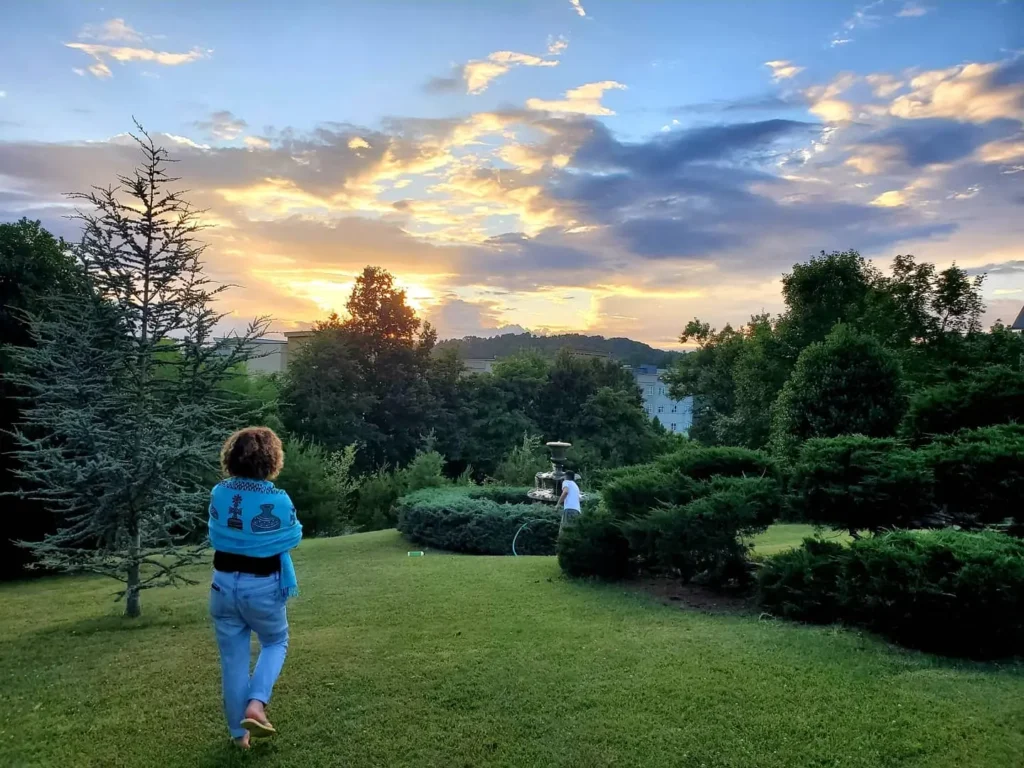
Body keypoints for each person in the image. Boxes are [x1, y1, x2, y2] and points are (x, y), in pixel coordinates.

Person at [207, 427, 303, 749]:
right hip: (262, 586)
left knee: (233, 661)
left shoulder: (219, 492)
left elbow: (217, 534)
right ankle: (256, 704)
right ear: (271, 459)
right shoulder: (277, 499)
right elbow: (293, 536)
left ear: (231, 457)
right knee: (276, 641)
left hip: (221, 585)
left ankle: (240, 737)